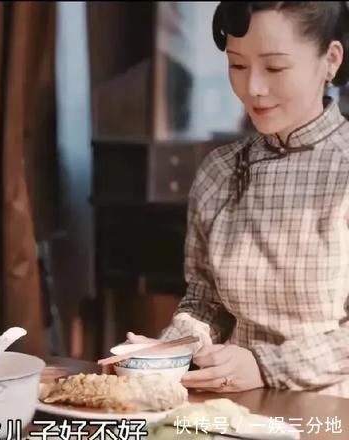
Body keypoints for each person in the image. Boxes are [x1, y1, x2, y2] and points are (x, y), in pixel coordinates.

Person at [127, 2, 349, 398]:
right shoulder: (221, 170)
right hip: (233, 406)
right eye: (238, 65)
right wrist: (170, 351)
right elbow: (205, 302)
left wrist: (264, 366)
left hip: (330, 410)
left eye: (275, 68)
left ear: (330, 60)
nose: (253, 88)